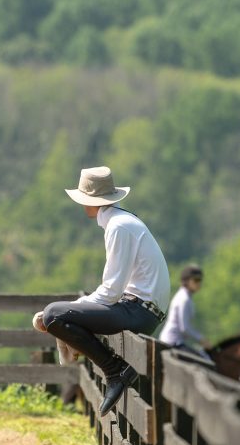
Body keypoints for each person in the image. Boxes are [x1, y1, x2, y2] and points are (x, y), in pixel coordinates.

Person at [36, 166, 170, 416]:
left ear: (89, 202)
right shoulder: (124, 221)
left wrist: (74, 307)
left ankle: (114, 371)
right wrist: (79, 306)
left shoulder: (118, 227)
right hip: (143, 309)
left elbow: (110, 291)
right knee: (57, 313)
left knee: (53, 314)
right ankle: (115, 370)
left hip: (138, 310)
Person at [158, 264, 212, 361]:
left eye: (200, 280)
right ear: (186, 281)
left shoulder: (184, 296)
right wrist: (202, 339)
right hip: (173, 343)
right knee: (205, 360)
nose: (199, 283)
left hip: (175, 342)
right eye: (196, 280)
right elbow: (185, 328)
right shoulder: (185, 299)